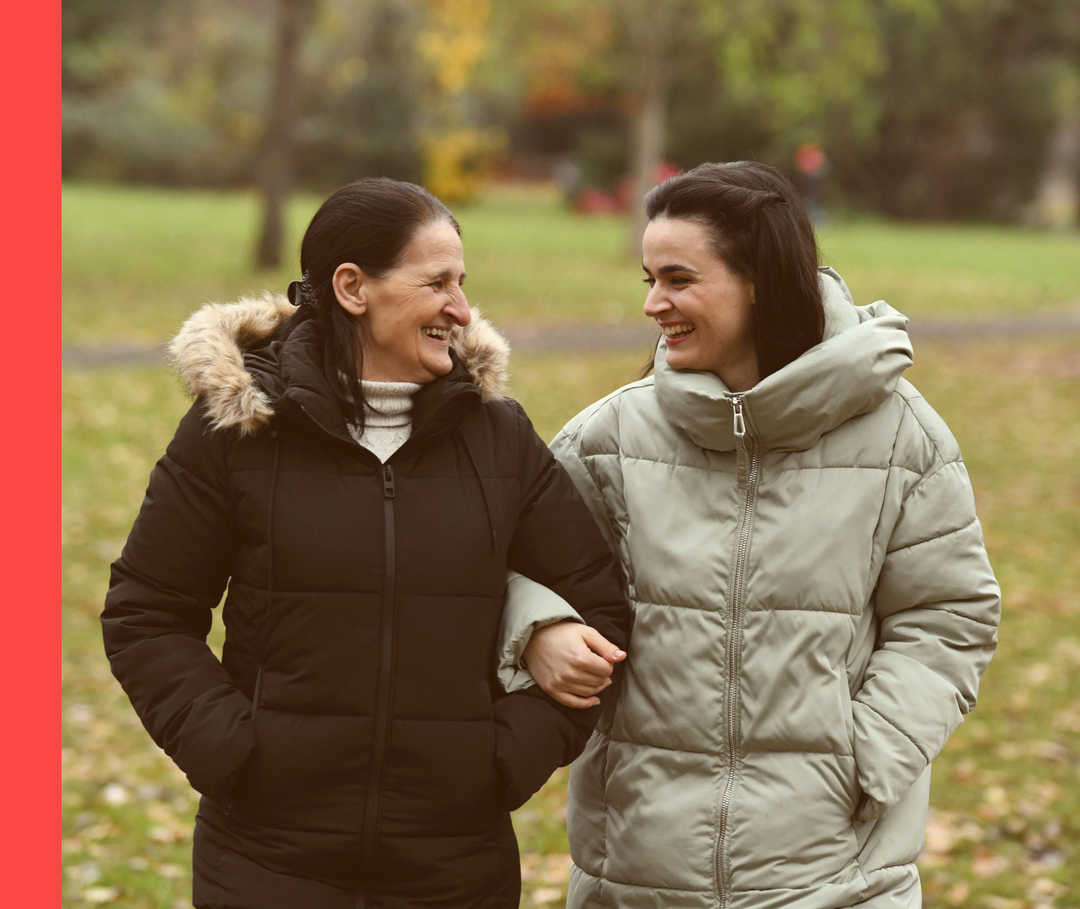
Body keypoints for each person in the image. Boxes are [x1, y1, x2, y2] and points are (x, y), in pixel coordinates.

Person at [101, 177, 630, 909]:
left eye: (462, 283)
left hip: (454, 870)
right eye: (437, 282)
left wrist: (501, 758)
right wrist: (233, 752)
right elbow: (147, 611)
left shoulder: (497, 438)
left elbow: (600, 604)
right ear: (353, 287)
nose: (461, 309)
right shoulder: (240, 431)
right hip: (265, 861)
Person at [512, 161, 1001, 908]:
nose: (652, 304)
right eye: (648, 278)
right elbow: (507, 567)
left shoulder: (902, 436)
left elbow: (949, 613)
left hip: (837, 875)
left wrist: (868, 756)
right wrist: (536, 628)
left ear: (760, 281)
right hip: (640, 875)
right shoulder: (608, 438)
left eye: (677, 278)